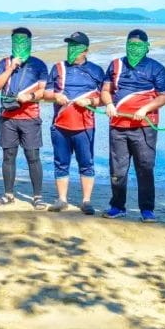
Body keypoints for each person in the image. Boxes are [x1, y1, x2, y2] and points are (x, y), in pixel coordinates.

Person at [100, 28, 165, 222]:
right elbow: (105, 90)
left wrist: (146, 109)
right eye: (131, 44)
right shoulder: (116, 65)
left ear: (147, 47)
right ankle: (117, 206)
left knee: (145, 168)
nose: (134, 48)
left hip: (144, 127)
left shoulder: (156, 68)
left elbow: (164, 96)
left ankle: (147, 210)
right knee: (118, 169)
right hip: (118, 126)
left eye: (138, 45)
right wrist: (109, 104)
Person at [43, 31, 105, 214]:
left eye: (75, 47)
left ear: (85, 50)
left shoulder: (96, 71)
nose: (71, 50)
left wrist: (91, 101)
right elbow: (45, 94)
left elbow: (106, 97)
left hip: (84, 126)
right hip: (60, 125)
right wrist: (56, 96)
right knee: (61, 162)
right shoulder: (58, 68)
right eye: (69, 46)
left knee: (86, 162)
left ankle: (86, 201)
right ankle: (62, 199)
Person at [0, 27, 48, 208]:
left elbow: (43, 91)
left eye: (23, 41)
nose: (19, 44)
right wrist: (11, 67)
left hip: (30, 117)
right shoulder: (3, 63)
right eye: (16, 41)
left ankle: (37, 196)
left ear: (30, 42)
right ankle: (8, 194)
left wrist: (29, 97)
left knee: (33, 156)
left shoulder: (39, 65)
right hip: (8, 117)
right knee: (8, 156)